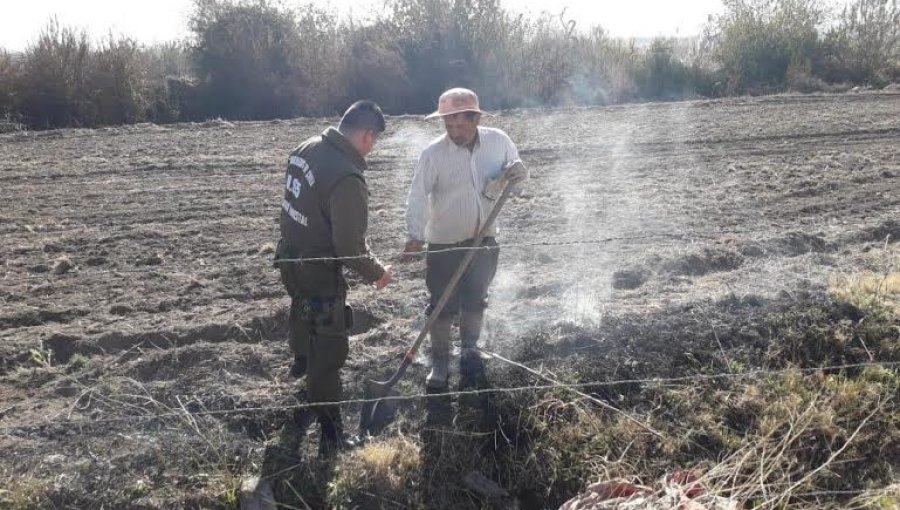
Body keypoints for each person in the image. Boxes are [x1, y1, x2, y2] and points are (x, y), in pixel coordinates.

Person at [276, 100, 393, 456]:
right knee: (330, 345)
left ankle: (301, 361)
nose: (373, 148)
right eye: (374, 140)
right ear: (367, 135)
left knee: (300, 308)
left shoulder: (305, 148)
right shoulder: (347, 177)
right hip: (318, 267)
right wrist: (378, 273)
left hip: (290, 258)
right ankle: (330, 432)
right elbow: (350, 247)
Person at [405, 88, 528, 390]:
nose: (455, 132)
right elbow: (418, 195)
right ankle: (441, 361)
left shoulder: (498, 142)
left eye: (461, 125)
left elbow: (518, 179)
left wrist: (517, 174)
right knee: (441, 305)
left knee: (476, 298)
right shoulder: (433, 153)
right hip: (444, 244)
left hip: (484, 241)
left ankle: (470, 350)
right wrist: (415, 234)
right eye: (449, 126)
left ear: (475, 119)